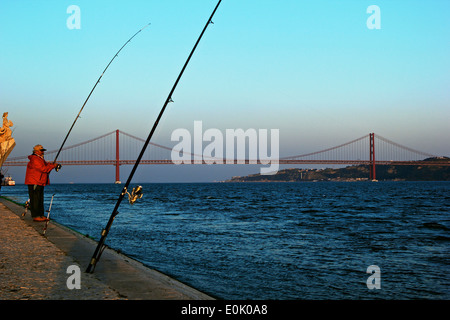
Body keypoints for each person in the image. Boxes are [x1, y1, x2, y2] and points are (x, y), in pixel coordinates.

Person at [25, 144, 61, 222]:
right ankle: (35, 216)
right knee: (35, 199)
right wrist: (52, 166)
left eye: (43, 150)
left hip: (40, 182)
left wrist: (53, 165)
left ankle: (41, 215)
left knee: (40, 199)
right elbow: (43, 169)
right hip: (35, 181)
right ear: (36, 151)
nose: (43, 152)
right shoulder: (35, 159)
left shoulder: (40, 159)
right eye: (41, 150)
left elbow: (46, 165)